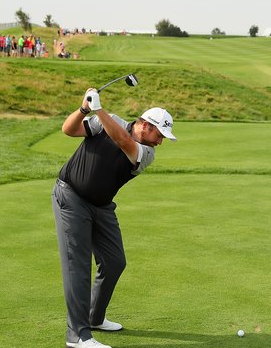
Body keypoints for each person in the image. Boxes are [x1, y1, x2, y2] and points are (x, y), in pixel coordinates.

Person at [51, 89, 177, 348]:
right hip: (71, 197)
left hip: (102, 206)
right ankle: (77, 336)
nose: (160, 142)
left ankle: (95, 318)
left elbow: (123, 142)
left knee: (114, 261)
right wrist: (85, 109)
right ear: (144, 124)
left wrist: (99, 109)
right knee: (79, 266)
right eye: (159, 134)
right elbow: (68, 129)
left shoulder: (146, 153)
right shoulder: (107, 121)